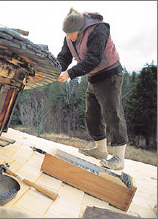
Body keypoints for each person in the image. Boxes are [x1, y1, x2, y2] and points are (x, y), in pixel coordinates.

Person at [56, 8, 128, 170]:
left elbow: (93, 58)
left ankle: (119, 158)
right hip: (93, 77)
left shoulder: (99, 30)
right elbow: (64, 56)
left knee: (113, 114)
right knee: (92, 115)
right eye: (66, 34)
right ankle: (101, 150)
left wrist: (69, 74)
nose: (69, 37)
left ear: (80, 29)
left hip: (110, 75)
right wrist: (55, 69)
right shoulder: (69, 36)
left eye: (71, 34)